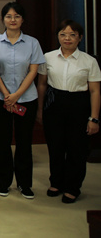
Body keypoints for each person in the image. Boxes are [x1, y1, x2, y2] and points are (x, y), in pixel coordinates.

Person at [38, 20, 101, 204]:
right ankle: (56, 182)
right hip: (54, 104)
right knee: (55, 147)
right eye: (63, 34)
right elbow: (42, 85)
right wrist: (40, 110)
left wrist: (94, 118)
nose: (67, 38)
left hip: (79, 105)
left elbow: (95, 91)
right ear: (58, 36)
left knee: (77, 149)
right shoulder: (48, 57)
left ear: (79, 38)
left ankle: (73, 187)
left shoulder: (89, 61)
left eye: (72, 35)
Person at [0, 2, 44, 199]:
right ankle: (3, 182)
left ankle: (24, 184)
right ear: (3, 19)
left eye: (17, 16)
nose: (13, 20)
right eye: (9, 16)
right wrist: (7, 95)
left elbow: (33, 71)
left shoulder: (32, 43)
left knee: (24, 142)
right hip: (0, 98)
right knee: (2, 142)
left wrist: (17, 95)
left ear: (23, 19)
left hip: (26, 99)